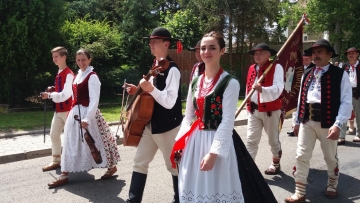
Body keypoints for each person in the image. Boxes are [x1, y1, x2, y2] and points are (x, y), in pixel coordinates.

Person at [171, 31, 277, 203]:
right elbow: (188, 116)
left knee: (217, 186)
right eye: (203, 48)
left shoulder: (230, 82)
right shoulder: (195, 82)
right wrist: (180, 143)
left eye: (212, 48)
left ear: (222, 51)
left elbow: (228, 120)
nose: (206, 52)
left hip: (218, 141)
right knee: (194, 185)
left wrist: (214, 153)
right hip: (195, 141)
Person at [285, 39, 352, 202]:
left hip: (328, 122)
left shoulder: (340, 74)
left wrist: (338, 125)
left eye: (320, 51)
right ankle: (299, 191)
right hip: (307, 121)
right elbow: (301, 99)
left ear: (330, 54)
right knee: (301, 155)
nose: (316, 55)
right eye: (314, 52)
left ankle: (332, 183)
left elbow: (346, 101)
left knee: (330, 157)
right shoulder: (307, 73)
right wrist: (297, 121)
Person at [44, 48, 121, 188]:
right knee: (70, 143)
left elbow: (94, 100)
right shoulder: (78, 75)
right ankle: (64, 174)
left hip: (88, 114)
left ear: (90, 59)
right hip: (75, 114)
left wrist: (87, 118)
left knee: (95, 142)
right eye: (78, 60)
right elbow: (73, 97)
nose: (81, 62)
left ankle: (111, 166)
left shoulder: (92, 76)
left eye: (83, 59)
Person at [124, 27, 183, 203]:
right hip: (149, 125)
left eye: (155, 41)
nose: (151, 44)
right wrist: (138, 90)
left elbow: (169, 102)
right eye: (150, 41)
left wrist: (151, 89)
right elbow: (150, 94)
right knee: (139, 162)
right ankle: (133, 200)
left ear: (166, 44)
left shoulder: (172, 69)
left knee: (173, 167)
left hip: (167, 127)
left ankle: (179, 199)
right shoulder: (155, 66)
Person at [245, 43, 284, 175]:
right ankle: (249, 168)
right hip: (253, 110)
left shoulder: (276, 67)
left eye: (261, 53)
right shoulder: (252, 68)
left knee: (273, 140)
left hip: (270, 111)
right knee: (251, 140)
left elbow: (279, 88)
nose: (257, 55)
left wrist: (263, 90)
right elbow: (248, 88)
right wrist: (247, 104)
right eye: (255, 53)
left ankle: (275, 163)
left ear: (269, 55)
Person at [41, 47, 74, 171]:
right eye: (53, 57)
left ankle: (83, 159)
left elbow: (66, 94)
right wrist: (53, 89)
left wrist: (49, 95)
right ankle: (56, 160)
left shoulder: (69, 74)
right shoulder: (59, 72)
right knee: (54, 135)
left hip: (68, 111)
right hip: (59, 111)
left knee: (71, 138)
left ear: (64, 57)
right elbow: (60, 90)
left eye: (56, 56)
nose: (54, 59)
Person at [288, 50, 315, 136]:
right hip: (296, 91)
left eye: (307, 59)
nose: (305, 61)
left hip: (307, 92)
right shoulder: (298, 67)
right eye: (303, 59)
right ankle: (294, 127)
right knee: (295, 109)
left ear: (311, 59)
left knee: (303, 110)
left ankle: (303, 127)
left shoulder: (314, 68)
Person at [338, 47, 360, 145]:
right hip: (346, 93)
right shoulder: (344, 66)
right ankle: (341, 136)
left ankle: (359, 135)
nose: (350, 55)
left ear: (357, 54)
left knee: (359, 115)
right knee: (343, 114)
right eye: (349, 54)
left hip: (357, 93)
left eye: (353, 53)